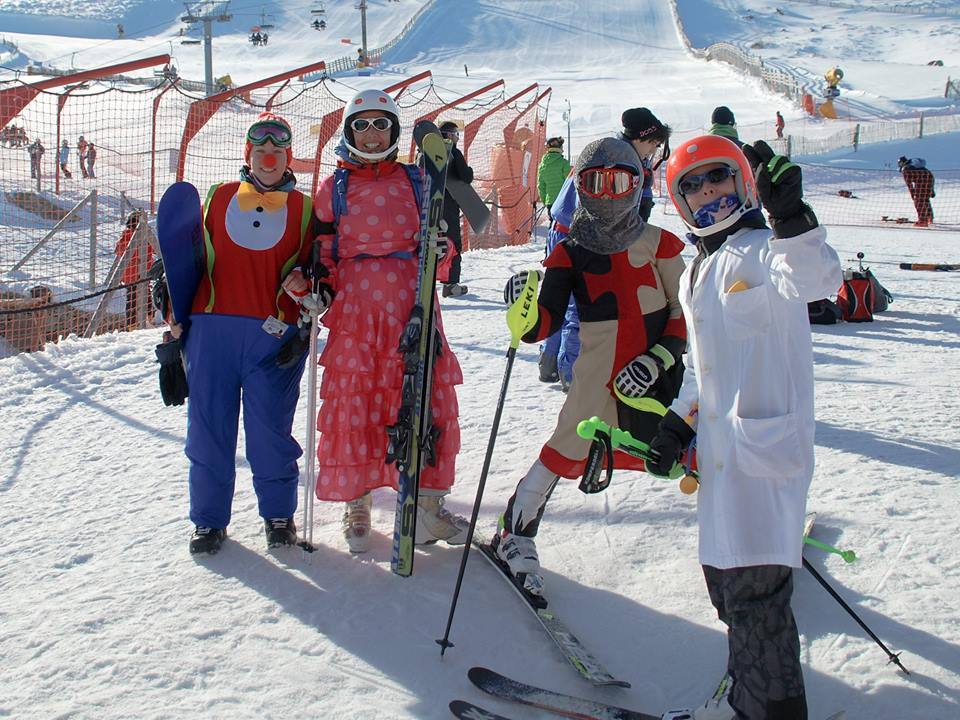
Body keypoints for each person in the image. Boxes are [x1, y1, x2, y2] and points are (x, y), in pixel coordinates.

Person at [650, 135, 841, 720]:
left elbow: (816, 281)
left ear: (743, 181)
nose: (708, 192)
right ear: (680, 201)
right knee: (726, 586)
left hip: (766, 456)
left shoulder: (766, 249)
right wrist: (678, 424)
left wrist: (792, 218)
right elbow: (702, 368)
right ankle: (745, 696)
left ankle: (771, 710)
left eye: (719, 177)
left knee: (757, 598)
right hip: (723, 462)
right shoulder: (695, 272)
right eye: (692, 185)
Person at [492, 136, 687, 600]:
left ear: (637, 185)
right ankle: (515, 531)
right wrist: (523, 308)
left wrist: (656, 360)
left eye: (619, 183)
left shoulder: (659, 245)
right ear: (580, 187)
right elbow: (544, 323)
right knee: (567, 446)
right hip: (597, 377)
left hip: (656, 376)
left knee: (686, 450)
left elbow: (685, 316)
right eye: (595, 183)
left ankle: (753, 529)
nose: (607, 195)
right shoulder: (571, 251)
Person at [309, 88, 468, 553]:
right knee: (357, 404)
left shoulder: (416, 180)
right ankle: (356, 502)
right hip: (358, 313)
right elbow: (324, 249)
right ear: (349, 132)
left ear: (395, 131)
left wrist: (442, 252)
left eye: (382, 124)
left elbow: (440, 245)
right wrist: (320, 283)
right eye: (362, 126)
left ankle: (427, 505)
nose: (372, 134)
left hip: (411, 305)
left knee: (422, 402)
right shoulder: (335, 188)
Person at [169, 113, 318, 555]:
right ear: (248, 155)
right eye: (260, 151)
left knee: (270, 431)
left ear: (289, 157)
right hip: (210, 330)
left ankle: (278, 515)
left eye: (277, 152)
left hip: (273, 337)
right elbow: (185, 258)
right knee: (208, 429)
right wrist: (171, 305)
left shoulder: (305, 209)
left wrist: (307, 283)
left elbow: (320, 266)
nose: (268, 159)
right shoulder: (218, 196)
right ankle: (208, 521)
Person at [538, 107, 671, 389]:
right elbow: (606, 211)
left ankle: (549, 361)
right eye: (653, 144)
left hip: (562, 228)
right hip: (581, 235)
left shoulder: (608, 150)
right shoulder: (619, 160)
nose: (653, 151)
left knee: (557, 298)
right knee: (580, 305)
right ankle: (572, 374)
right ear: (642, 138)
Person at [437, 120, 474, 298]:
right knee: (453, 243)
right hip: (449, 205)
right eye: (456, 135)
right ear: (449, 135)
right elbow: (465, 176)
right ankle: (451, 284)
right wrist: (470, 171)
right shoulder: (453, 151)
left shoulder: (426, 151)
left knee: (431, 244)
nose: (457, 139)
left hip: (429, 205)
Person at [115, 211, 153, 329]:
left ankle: (135, 323)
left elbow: (118, 251)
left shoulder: (125, 237)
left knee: (134, 298)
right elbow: (152, 249)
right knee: (142, 296)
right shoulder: (141, 236)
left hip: (133, 275)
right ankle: (147, 318)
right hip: (139, 273)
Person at [536, 137, 570, 224]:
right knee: (565, 227)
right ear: (560, 148)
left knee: (553, 225)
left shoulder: (542, 166)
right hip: (564, 201)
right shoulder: (564, 163)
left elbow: (541, 187)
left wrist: (545, 201)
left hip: (550, 202)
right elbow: (570, 182)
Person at [898, 156, 935, 227]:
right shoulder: (917, 166)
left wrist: (913, 195)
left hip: (921, 182)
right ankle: (929, 217)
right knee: (925, 199)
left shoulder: (905, 169)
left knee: (918, 201)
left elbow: (909, 184)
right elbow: (930, 176)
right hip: (929, 179)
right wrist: (931, 190)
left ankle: (922, 221)